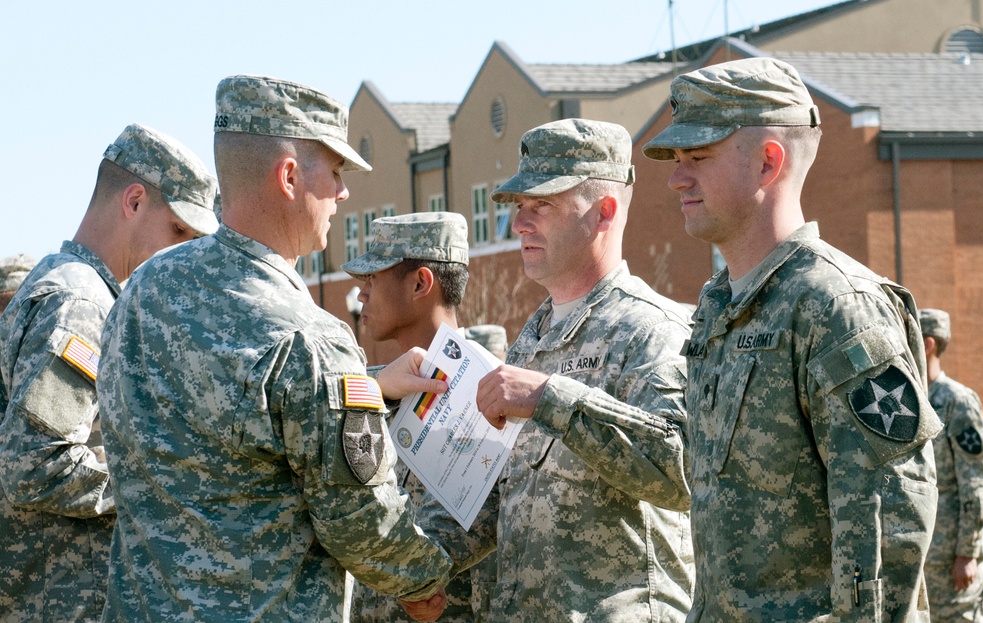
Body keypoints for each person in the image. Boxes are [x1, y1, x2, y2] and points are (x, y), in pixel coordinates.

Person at [97, 75, 454, 623]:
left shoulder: (143, 290)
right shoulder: (309, 338)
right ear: (289, 177)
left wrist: (368, 383)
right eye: (334, 172)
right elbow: (362, 521)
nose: (343, 193)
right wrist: (425, 580)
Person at [642, 57, 942, 621]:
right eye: (676, 159)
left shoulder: (835, 307)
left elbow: (887, 530)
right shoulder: (718, 306)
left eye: (698, 158)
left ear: (767, 162)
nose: (676, 177)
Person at [420, 118, 695, 622]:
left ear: (604, 212)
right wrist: (419, 568)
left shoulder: (652, 330)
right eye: (519, 208)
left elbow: (683, 470)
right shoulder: (534, 337)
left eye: (541, 206)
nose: (519, 224)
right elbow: (494, 492)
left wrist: (551, 399)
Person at [0, 123, 219, 623]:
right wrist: (160, 482)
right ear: (135, 201)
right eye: (179, 231)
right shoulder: (79, 303)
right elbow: (33, 464)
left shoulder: (72, 286)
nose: (182, 251)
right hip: (58, 601)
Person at [342, 211, 497, 623]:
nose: (361, 295)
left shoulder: (486, 399)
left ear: (419, 283)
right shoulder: (383, 391)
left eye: (373, 279)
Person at [919, 308, 983, 622]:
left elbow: (976, 479)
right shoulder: (912, 398)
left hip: (951, 558)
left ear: (926, 344)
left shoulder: (957, 401)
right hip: (922, 556)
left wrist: (968, 552)